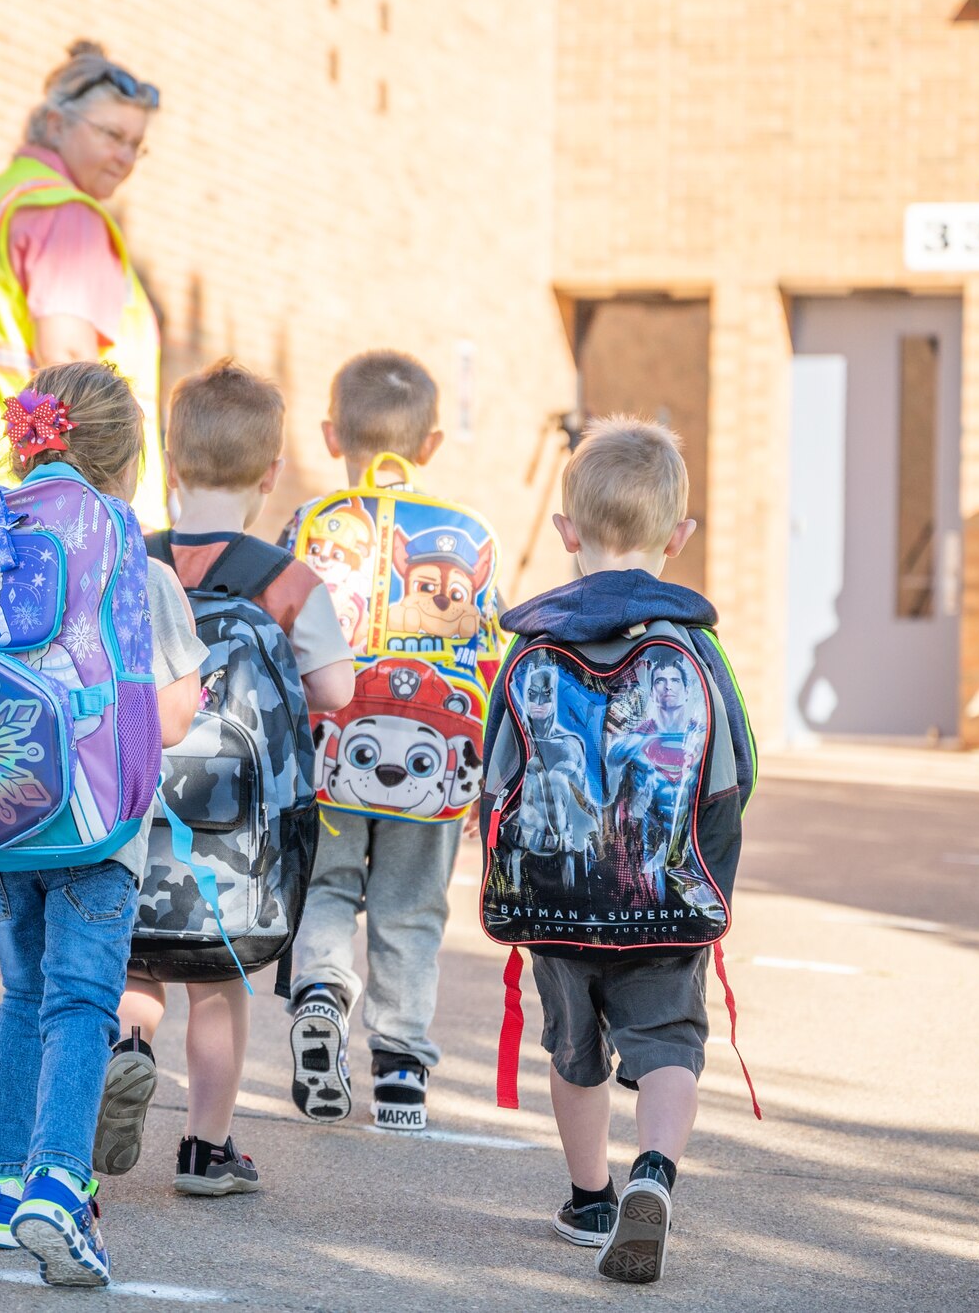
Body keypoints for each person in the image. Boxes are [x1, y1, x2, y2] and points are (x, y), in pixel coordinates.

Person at [0, 40, 166, 959]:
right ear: (56, 120)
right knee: (45, 684)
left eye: (139, 143)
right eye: (112, 133)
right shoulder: (66, 220)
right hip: (33, 501)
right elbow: (70, 366)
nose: (126, 156)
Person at [0, 361, 206, 1288]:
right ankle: (60, 1186)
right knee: (80, 1002)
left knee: (22, 994)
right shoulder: (138, 570)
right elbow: (175, 718)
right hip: (96, 825)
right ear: (128, 465)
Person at [90, 360, 356, 1196]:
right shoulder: (285, 579)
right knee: (217, 985)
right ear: (272, 474)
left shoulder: (129, 559)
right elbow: (335, 691)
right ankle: (208, 1148)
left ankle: (129, 1049)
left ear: (169, 464)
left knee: (138, 968)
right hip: (233, 847)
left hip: (129, 816)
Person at [506, 413, 748, 1284]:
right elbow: (730, 778)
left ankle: (591, 1198)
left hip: (555, 898)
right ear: (677, 538)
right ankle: (656, 1171)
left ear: (567, 534)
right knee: (670, 1042)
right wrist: (706, 880)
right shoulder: (692, 647)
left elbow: (500, 781)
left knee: (574, 1050)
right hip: (663, 894)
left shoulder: (533, 643)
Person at [282, 351, 465, 1131]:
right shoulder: (457, 541)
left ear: (331, 435)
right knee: (411, 903)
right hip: (431, 754)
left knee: (327, 886)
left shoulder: (310, 528)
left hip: (334, 748)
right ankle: (399, 1067)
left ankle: (321, 986)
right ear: (432, 444)